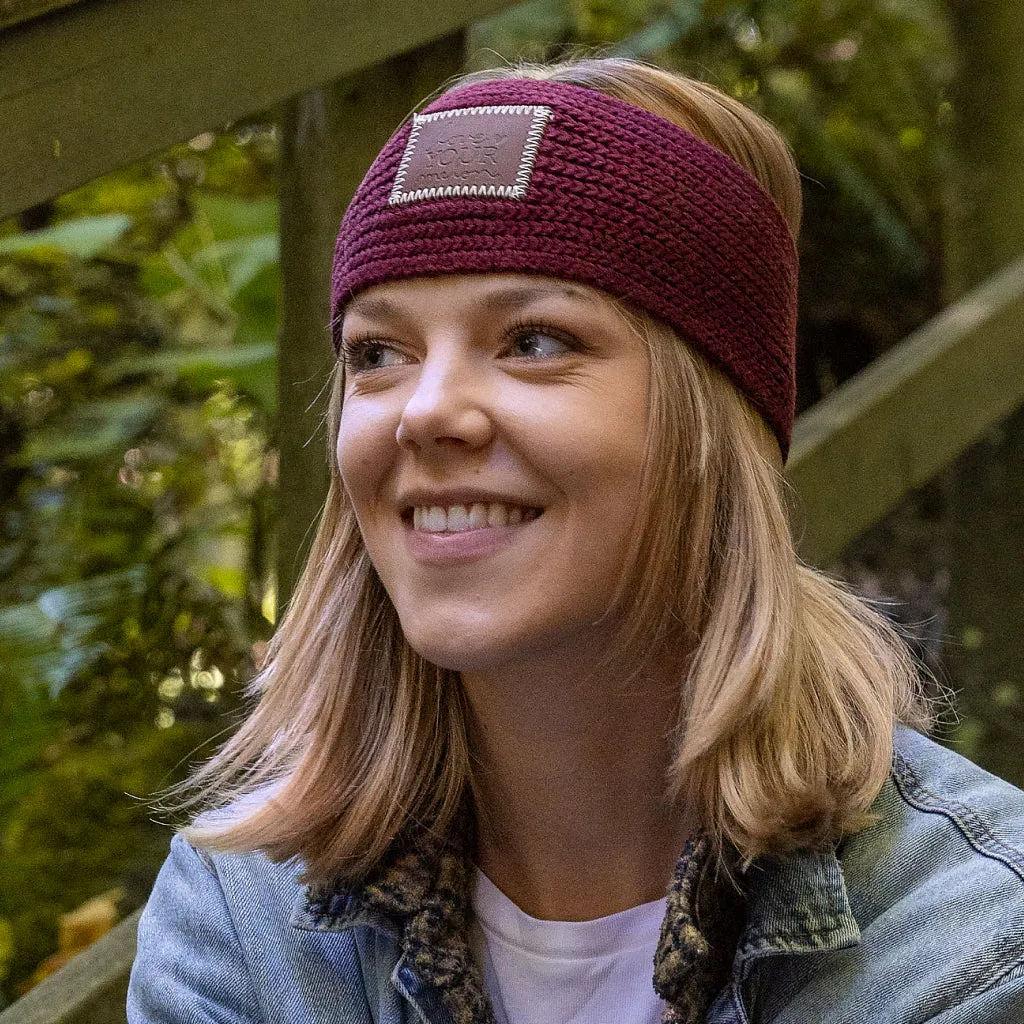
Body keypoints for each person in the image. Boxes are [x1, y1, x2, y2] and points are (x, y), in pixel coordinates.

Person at [127, 57, 1024, 1024]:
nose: (424, 414)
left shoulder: (969, 946)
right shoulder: (243, 913)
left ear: (715, 429)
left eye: (535, 341)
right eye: (378, 354)